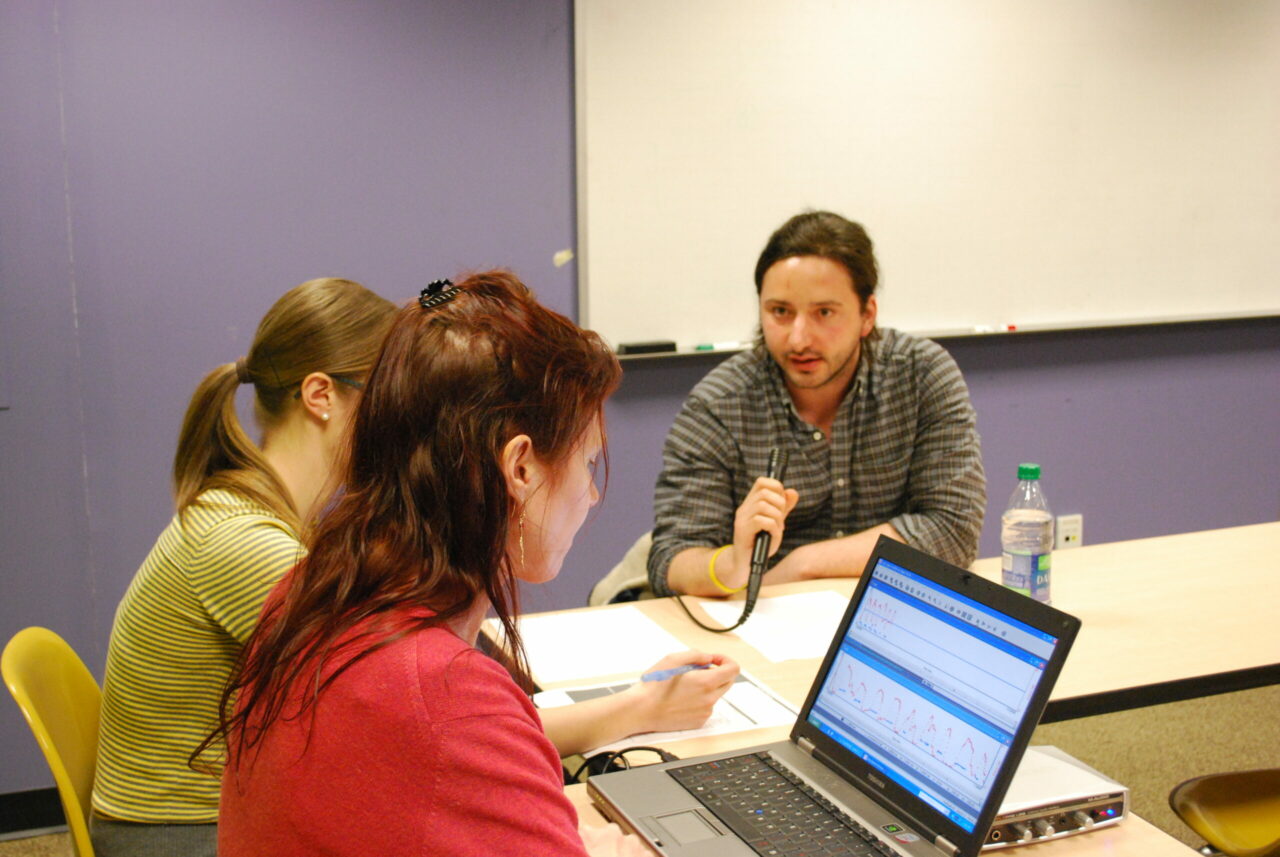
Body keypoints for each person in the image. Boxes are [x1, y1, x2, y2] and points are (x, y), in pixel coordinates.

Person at [212, 271, 737, 856]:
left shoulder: (315, 586)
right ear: (520, 469)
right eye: (588, 464)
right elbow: (452, 743)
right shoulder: (443, 694)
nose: (591, 496)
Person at [91, 278, 398, 856]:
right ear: (321, 395)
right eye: (390, 395)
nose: (401, 419)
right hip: (177, 835)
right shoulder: (247, 542)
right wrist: (615, 716)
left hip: (199, 814)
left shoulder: (260, 509)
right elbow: (400, 711)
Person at [649, 211, 985, 598]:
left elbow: (953, 530)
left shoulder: (921, 375)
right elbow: (670, 561)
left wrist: (802, 565)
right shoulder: (719, 404)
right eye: (780, 312)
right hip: (762, 620)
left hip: (886, 612)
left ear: (867, 315)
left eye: (824, 313)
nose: (798, 339)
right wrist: (733, 563)